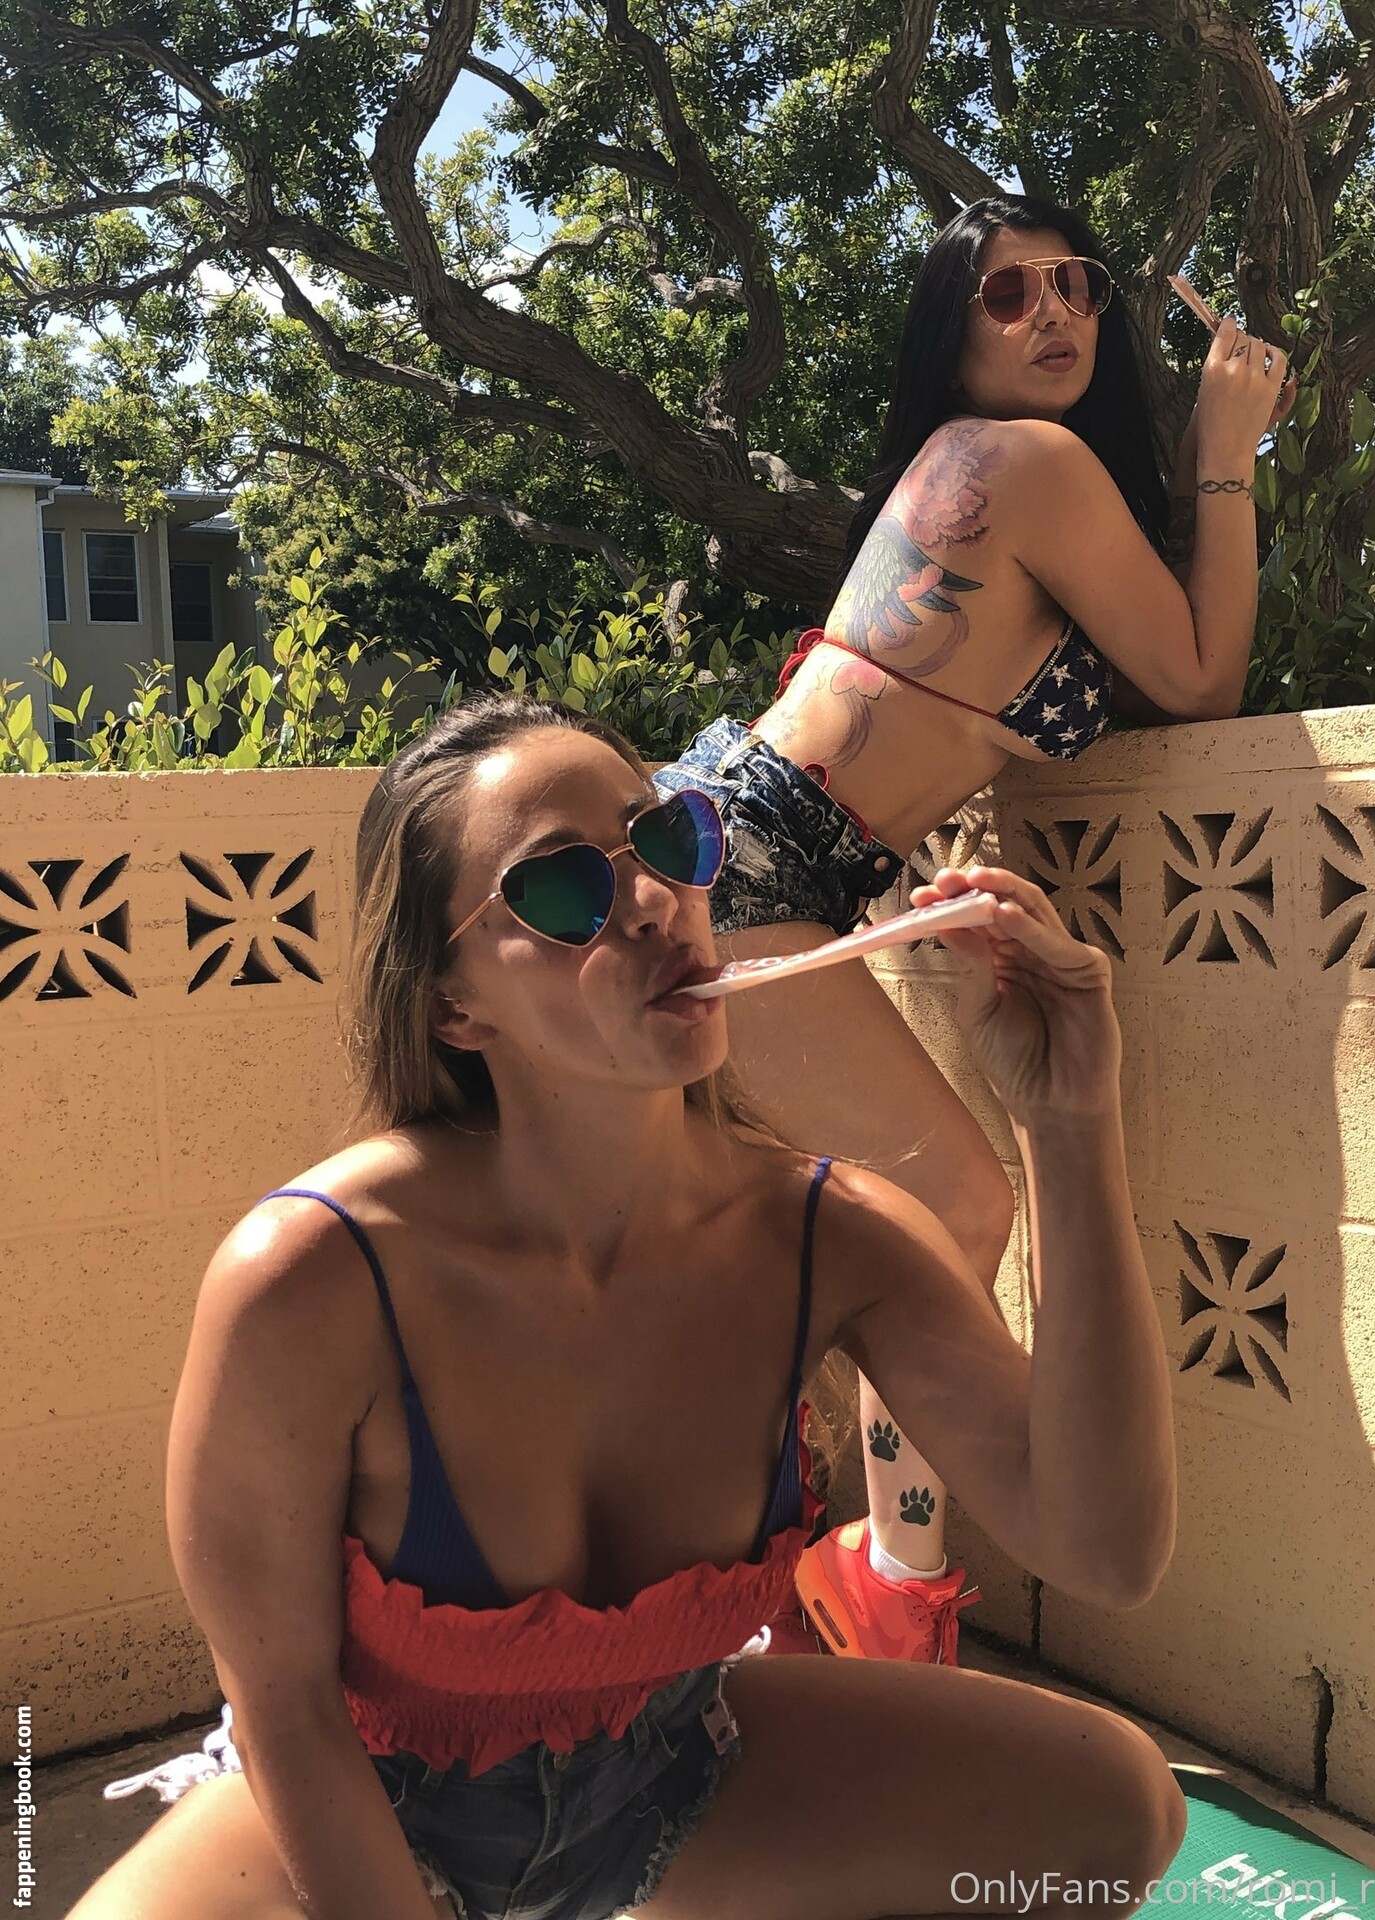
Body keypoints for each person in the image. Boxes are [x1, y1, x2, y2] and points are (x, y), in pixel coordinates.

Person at [74, 694, 1182, 1920]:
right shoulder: (314, 1279)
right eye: (564, 891)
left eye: (669, 838)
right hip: (363, 1805)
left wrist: (1069, 1121)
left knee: (1111, 1813)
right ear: (453, 1007)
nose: (655, 901)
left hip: (673, 1773)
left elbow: (1105, 1549)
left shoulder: (831, 1236)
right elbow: (284, 1705)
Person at [653, 191, 1288, 1661]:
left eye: (1075, 284)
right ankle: (884, 1589)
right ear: (954, 338)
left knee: (829, 1233)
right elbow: (1204, 681)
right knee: (955, 1204)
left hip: (746, 851)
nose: (1053, 310)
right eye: (1008, 295)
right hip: (755, 865)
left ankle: (827, 1575)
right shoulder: (1030, 463)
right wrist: (1226, 452)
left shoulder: (984, 471)